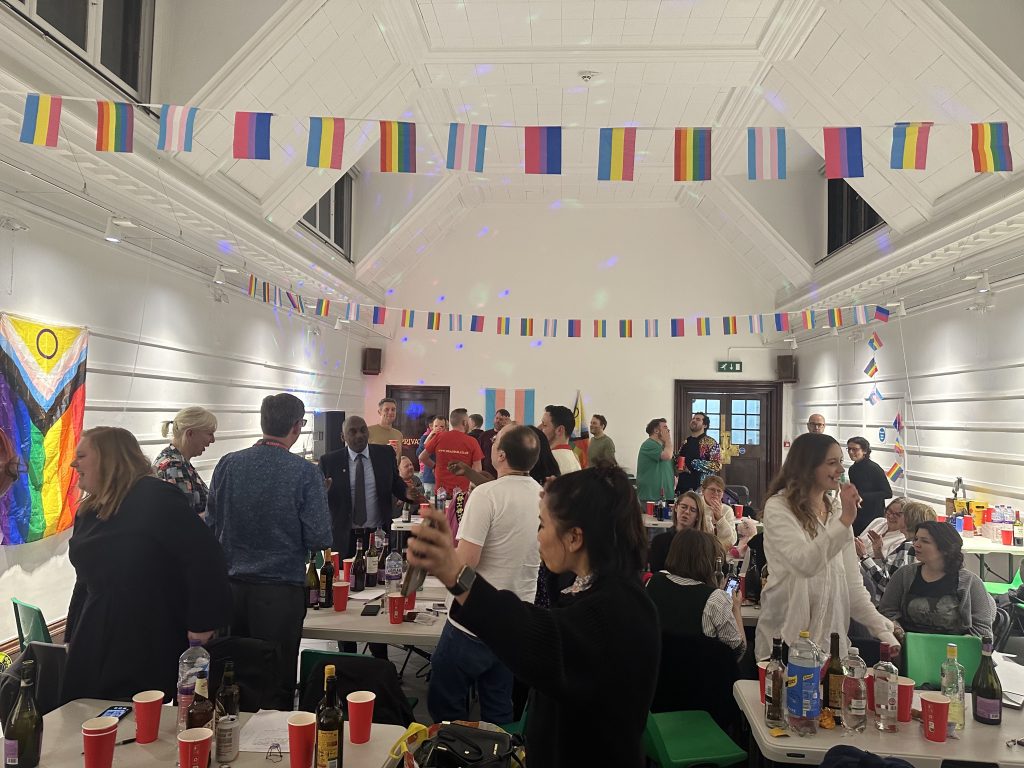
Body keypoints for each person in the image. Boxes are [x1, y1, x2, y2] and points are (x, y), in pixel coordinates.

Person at [407, 465, 659, 768]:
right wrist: (562, 500)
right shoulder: (597, 585)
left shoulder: (619, 610)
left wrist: (457, 575)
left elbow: (538, 635)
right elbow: (560, 596)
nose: (538, 537)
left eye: (542, 525)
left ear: (575, 537)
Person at [63, 427, 231, 703]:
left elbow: (205, 558)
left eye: (81, 455)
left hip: (145, 629)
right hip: (94, 627)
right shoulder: (89, 509)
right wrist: (72, 634)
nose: (73, 463)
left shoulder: (155, 498)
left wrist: (202, 623)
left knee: (134, 713)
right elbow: (85, 580)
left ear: (108, 458)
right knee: (83, 708)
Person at [206, 393, 333, 709]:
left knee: (229, 678)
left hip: (229, 591)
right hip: (278, 594)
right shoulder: (304, 473)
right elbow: (320, 537)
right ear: (296, 426)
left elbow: (211, 523)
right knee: (275, 683)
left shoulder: (227, 464)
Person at [428, 425, 542, 725]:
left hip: (473, 622)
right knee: (498, 710)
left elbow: (465, 566)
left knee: (446, 710)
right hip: (517, 620)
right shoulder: (544, 496)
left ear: (501, 455)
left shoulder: (486, 494)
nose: (490, 444)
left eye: (494, 441)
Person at [754, 433, 898, 660]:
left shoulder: (837, 512)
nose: (841, 470)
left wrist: (882, 629)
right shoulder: (779, 508)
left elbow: (853, 586)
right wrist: (845, 522)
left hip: (830, 648)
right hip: (784, 644)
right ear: (807, 467)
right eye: (832, 463)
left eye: (841, 461)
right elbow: (804, 564)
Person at [879, 521, 995, 640]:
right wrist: (898, 632)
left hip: (955, 651)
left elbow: (983, 631)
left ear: (945, 548)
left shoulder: (970, 582)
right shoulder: (904, 575)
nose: (916, 544)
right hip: (907, 647)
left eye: (925, 541)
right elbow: (887, 612)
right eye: (916, 539)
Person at [320, 415, 414, 558]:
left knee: (379, 578)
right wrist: (321, 493)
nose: (359, 435)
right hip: (343, 537)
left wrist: (411, 495)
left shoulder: (385, 454)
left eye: (363, 430)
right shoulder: (329, 461)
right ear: (342, 436)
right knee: (343, 579)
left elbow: (396, 483)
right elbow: (318, 499)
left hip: (378, 535)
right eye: (353, 432)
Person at [646, 529, 745, 659]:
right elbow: (738, 651)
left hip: (656, 670)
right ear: (709, 560)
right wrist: (735, 608)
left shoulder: (654, 581)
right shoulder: (715, 599)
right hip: (700, 675)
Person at [857, 500, 935, 596]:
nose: (891, 517)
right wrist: (877, 552)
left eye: (900, 515)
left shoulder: (909, 548)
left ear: (908, 520)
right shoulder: (913, 545)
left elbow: (886, 585)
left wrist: (864, 557)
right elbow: (888, 572)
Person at [153, 406, 217, 516]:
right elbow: (185, 520)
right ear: (190, 434)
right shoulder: (173, 466)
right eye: (209, 434)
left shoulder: (177, 461)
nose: (213, 440)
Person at [648, 491, 717, 573]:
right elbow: (656, 573)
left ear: (698, 516)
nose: (687, 512)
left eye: (692, 510)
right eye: (684, 507)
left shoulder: (706, 543)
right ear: (676, 507)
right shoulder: (660, 541)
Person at [422, 408, 484, 495]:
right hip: (462, 492)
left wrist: (435, 466)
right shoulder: (472, 441)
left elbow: (422, 457)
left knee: (440, 509)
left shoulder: (439, 437)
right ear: (464, 423)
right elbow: (478, 469)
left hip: (441, 492)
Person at [846, 436, 893, 535]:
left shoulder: (874, 468)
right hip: (858, 513)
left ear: (864, 451)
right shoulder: (852, 469)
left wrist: (863, 496)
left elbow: (887, 493)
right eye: (849, 449)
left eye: (854, 449)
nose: (851, 452)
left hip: (873, 515)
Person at [675, 412, 722, 495]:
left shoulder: (711, 442)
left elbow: (717, 465)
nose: (694, 420)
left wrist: (694, 463)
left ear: (705, 425)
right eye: (693, 418)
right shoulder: (686, 442)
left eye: (698, 419)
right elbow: (680, 460)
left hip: (701, 487)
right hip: (683, 485)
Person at [636, 418, 673, 503]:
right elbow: (667, 456)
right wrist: (668, 439)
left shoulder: (664, 447)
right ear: (656, 431)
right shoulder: (649, 444)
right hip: (651, 496)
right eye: (665, 427)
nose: (668, 430)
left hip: (666, 495)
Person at [538, 405, 580, 475]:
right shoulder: (574, 459)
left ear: (560, 430)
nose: (539, 428)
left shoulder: (548, 459)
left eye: (544, 425)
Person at [701, 475, 738, 549]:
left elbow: (732, 540)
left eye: (719, 491)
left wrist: (720, 518)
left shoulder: (727, 510)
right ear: (703, 491)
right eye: (712, 489)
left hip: (720, 550)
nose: (716, 493)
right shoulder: (696, 505)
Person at [368, 397, 403, 462]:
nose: (390, 412)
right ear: (379, 412)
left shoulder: (399, 434)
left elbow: (398, 460)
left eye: (393, 409)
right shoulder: (368, 431)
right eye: (386, 409)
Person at [418, 415, 446, 495]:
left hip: (444, 478)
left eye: (442, 426)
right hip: (430, 476)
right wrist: (430, 436)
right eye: (436, 426)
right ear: (432, 427)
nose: (438, 428)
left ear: (445, 428)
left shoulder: (447, 439)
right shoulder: (425, 438)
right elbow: (419, 453)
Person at [479, 409, 510, 476]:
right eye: (497, 418)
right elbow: (479, 454)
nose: (498, 421)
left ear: (506, 421)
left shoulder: (510, 436)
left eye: (501, 419)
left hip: (504, 474)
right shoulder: (484, 435)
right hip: (486, 474)